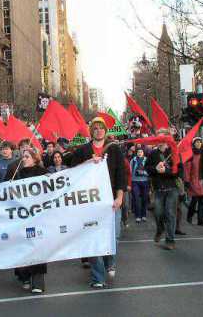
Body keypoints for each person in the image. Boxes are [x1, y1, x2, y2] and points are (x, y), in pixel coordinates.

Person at [71, 116, 127, 288]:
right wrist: (88, 161)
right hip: (90, 202)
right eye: (95, 128)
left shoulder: (115, 149)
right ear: (91, 131)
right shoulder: (83, 150)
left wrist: (119, 197)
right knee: (92, 237)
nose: (98, 130)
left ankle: (110, 259)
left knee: (114, 235)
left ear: (105, 130)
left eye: (101, 128)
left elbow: (120, 175)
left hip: (111, 200)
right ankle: (98, 277)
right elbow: (72, 169)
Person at [13, 149, 49, 293]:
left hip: (38, 216)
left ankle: (38, 282)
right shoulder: (18, 174)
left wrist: (49, 178)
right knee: (23, 246)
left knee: (38, 246)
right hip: (23, 216)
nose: (24, 159)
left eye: (27, 157)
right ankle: (25, 275)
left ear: (34, 158)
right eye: (22, 157)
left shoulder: (42, 172)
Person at [147, 129, 182, 251]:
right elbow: (147, 169)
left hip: (171, 188)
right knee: (158, 213)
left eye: (162, 138)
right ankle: (160, 228)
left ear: (167, 138)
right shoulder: (152, 154)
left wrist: (166, 171)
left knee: (170, 214)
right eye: (158, 138)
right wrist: (155, 169)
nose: (160, 140)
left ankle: (170, 240)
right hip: (158, 188)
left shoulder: (174, 152)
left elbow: (179, 171)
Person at [184, 138, 203, 226]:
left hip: (202, 180)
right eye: (197, 142)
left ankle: (200, 220)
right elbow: (187, 169)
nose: (199, 143)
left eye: (200, 142)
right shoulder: (190, 155)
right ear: (193, 144)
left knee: (202, 200)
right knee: (194, 200)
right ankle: (190, 216)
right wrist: (186, 180)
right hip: (193, 180)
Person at [130, 148, 149, 223]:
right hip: (135, 181)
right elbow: (130, 170)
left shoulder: (147, 160)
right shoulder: (133, 160)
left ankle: (144, 215)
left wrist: (143, 172)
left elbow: (149, 170)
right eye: (138, 152)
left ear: (143, 153)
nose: (140, 153)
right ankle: (138, 216)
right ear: (136, 153)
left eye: (141, 151)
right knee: (136, 198)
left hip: (145, 181)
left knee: (144, 198)